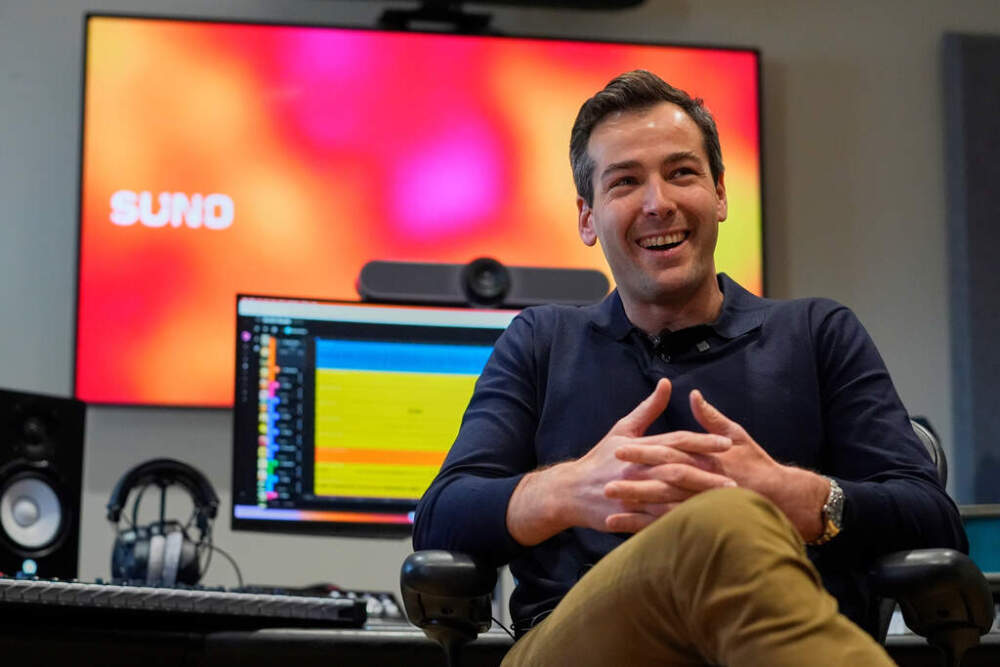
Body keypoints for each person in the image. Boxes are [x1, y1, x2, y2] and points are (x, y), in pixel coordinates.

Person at [413, 70, 966, 666]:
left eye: (682, 173)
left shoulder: (817, 334)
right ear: (587, 218)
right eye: (625, 182)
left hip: (764, 648)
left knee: (728, 521)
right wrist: (571, 490)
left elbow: (935, 523)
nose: (659, 203)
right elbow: (442, 519)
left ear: (721, 194)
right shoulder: (541, 342)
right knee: (721, 521)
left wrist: (794, 497)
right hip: (578, 646)